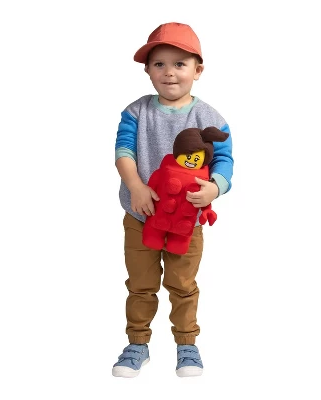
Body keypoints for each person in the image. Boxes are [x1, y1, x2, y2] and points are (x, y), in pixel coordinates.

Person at [112, 22, 234, 378]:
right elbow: (123, 151)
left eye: (180, 64)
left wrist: (215, 188)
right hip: (141, 215)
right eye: (159, 64)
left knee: (182, 284)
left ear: (198, 70)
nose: (169, 72)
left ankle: (187, 344)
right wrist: (136, 185)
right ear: (148, 70)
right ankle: (137, 342)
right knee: (140, 283)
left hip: (187, 222)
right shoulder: (136, 112)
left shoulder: (210, 118)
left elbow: (224, 159)